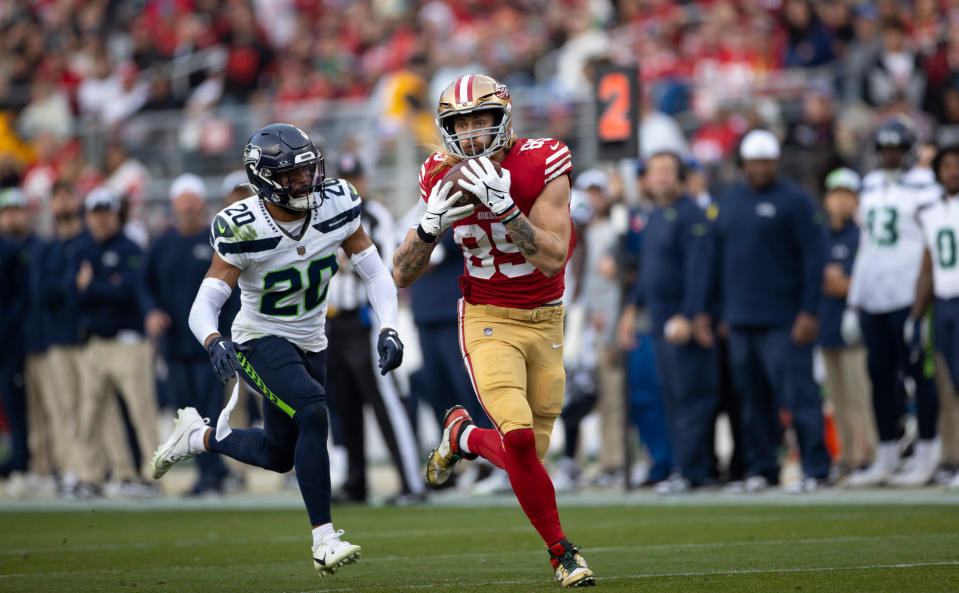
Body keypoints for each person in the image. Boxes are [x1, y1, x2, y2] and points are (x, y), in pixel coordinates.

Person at [149, 124, 404, 576]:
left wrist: (388, 327)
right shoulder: (242, 227)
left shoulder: (337, 205)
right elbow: (204, 304)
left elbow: (376, 273)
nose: (306, 183)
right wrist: (214, 339)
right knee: (313, 410)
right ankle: (324, 539)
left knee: (277, 454)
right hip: (258, 339)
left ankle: (199, 436)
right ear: (265, 179)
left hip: (312, 341)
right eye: (292, 177)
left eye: (308, 171)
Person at [393, 74, 594, 588]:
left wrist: (506, 209)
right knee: (520, 440)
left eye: (481, 120)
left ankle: (461, 435)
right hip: (486, 317)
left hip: (546, 318)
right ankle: (562, 552)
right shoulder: (439, 174)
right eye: (460, 124)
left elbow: (551, 260)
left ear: (502, 118)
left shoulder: (542, 160)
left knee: (530, 455)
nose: (471, 134)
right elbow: (401, 274)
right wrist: (427, 227)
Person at [712, 129, 831, 493]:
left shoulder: (796, 200)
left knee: (799, 396)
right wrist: (722, 314)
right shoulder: (728, 201)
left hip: (785, 318)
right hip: (741, 319)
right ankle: (763, 468)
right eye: (754, 162)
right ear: (743, 164)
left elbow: (815, 259)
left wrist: (810, 311)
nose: (760, 168)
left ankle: (816, 468)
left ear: (776, 162)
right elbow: (718, 263)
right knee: (751, 401)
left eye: (767, 161)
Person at [843, 118, 941, 487]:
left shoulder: (924, 188)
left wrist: (923, 302)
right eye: (885, 150)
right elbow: (865, 249)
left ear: (909, 151)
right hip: (873, 297)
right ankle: (886, 453)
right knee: (879, 378)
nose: (890, 156)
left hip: (908, 296)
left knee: (920, 376)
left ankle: (928, 453)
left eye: (897, 150)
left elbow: (931, 245)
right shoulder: (868, 187)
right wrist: (854, 303)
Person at [324, 152, 424, 504]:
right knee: (345, 406)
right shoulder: (325, 212)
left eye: (356, 178)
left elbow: (380, 262)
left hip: (364, 320)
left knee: (386, 404)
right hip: (331, 323)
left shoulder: (374, 214)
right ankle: (356, 483)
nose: (351, 184)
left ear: (365, 179)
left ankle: (412, 482)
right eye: (345, 177)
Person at [619, 151, 718, 494]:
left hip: (680, 320)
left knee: (691, 397)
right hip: (658, 321)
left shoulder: (692, 214)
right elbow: (646, 273)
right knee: (671, 396)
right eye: (655, 171)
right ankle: (684, 466)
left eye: (667, 171)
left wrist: (690, 314)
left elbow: (699, 269)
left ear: (680, 177)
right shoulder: (656, 215)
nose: (660, 177)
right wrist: (632, 311)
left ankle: (693, 470)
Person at [142, 173, 232, 496]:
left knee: (210, 409)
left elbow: (231, 292)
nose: (188, 208)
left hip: (209, 345)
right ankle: (212, 470)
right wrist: (151, 311)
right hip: (175, 343)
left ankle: (212, 474)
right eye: (183, 202)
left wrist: (227, 333)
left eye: (193, 201)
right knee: (186, 411)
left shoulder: (213, 241)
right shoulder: (162, 244)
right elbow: (145, 284)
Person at [72, 186, 160, 493]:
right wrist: (100, 287)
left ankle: (153, 476)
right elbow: (74, 294)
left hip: (128, 342)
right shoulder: (84, 249)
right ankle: (96, 475)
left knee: (142, 412)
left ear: (115, 215)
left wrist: (91, 286)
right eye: (95, 214)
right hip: (95, 343)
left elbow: (126, 292)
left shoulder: (129, 248)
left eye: (106, 214)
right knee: (92, 415)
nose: (101, 220)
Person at [818, 168, 878, 479]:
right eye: (835, 195)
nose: (840, 202)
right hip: (828, 326)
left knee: (860, 395)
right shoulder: (821, 235)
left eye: (846, 195)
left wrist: (844, 284)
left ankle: (870, 455)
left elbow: (865, 279)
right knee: (837, 399)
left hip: (856, 327)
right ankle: (848, 457)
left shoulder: (861, 235)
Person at [912, 144, 959, 488]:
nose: (953, 172)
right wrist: (914, 315)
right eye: (947, 166)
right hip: (942, 303)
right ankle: (951, 457)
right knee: (947, 384)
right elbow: (927, 266)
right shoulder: (930, 211)